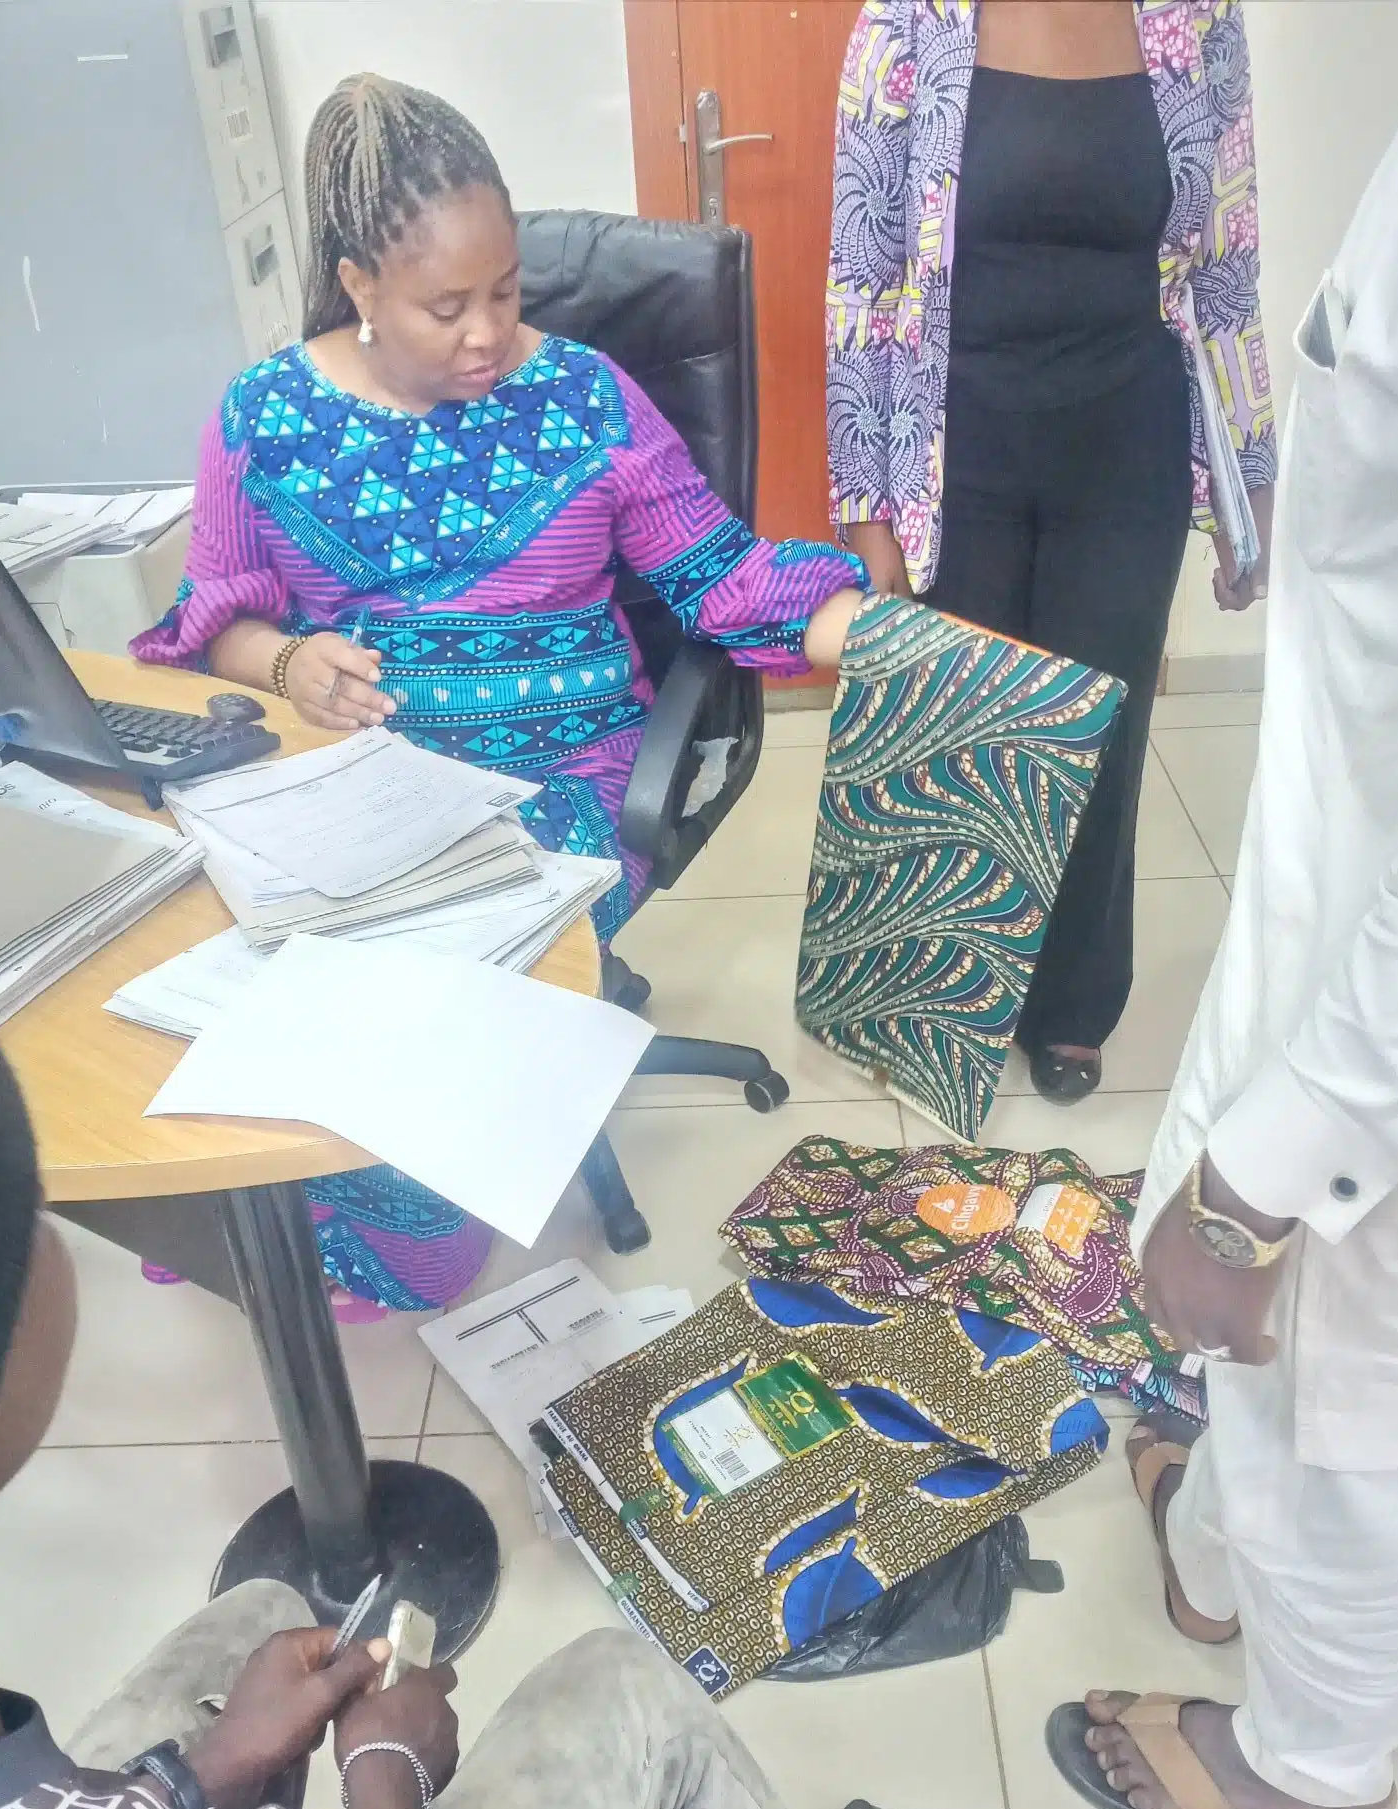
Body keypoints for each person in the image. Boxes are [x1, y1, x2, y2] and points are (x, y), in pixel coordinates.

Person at [0, 983, 938, 1809]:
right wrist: (388, 1784)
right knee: (625, 1692)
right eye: (24, 1221)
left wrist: (195, 1775)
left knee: (262, 1617)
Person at [133, 73, 867, 1313]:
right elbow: (222, 622)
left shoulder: (583, 395)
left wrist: (882, 633)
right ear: (358, 283)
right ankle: (272, 1199)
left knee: (434, 1035)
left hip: (569, 781)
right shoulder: (262, 418)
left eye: (507, 291)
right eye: (446, 305)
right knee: (228, 972)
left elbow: (722, 576)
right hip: (356, 788)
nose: (489, 333)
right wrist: (288, 662)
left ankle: (379, 1228)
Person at [1044, 3, 1398, 1809]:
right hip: (1367, 863)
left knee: (1366, 1349)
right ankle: (1220, 1553)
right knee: (1282, 1335)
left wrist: (1255, 1194)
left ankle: (1314, 1766)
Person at [826, 0, 1276, 1105]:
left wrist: (1249, 474)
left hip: (1125, 436)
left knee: (1101, 732)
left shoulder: (1198, 20)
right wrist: (862, 503)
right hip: (956, 439)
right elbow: (863, 268)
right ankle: (942, 991)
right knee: (963, 728)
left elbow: (1227, 257)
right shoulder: (907, 22)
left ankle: (1072, 1001)